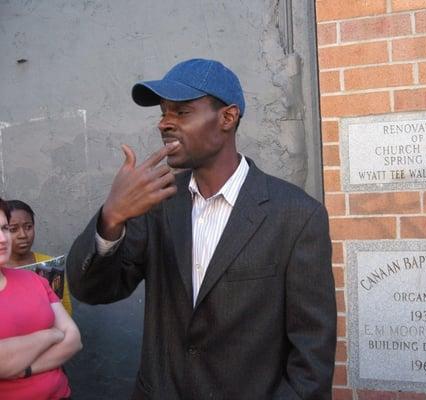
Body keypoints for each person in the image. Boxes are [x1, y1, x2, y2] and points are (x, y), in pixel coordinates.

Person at [67, 58, 336, 399]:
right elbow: (93, 290)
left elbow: (312, 351)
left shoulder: (296, 215)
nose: (165, 123)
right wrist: (111, 218)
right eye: (163, 113)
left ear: (227, 117)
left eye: (181, 112)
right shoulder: (156, 204)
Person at [0, 197, 82, 399]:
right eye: (11, 229)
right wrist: (50, 335)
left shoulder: (36, 279)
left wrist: (24, 369)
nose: (3, 238)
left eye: (2, 228)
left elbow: (74, 340)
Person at [7, 199, 73, 315]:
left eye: (28, 227)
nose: (23, 235)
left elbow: (66, 310)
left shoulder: (50, 264)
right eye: (13, 229)